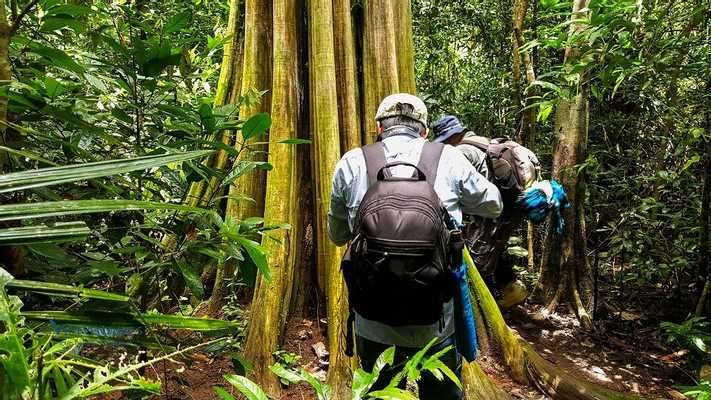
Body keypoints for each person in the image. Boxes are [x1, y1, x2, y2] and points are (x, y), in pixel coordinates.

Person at [328, 94, 503, 399]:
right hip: (436, 322)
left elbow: (337, 235)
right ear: (424, 131)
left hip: (371, 321)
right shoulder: (448, 158)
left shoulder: (352, 162)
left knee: (377, 393)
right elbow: (494, 205)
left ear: (379, 127)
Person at [432, 115, 536, 308]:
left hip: (491, 210)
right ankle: (511, 287)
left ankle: (483, 304)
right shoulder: (483, 142)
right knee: (495, 247)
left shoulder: (461, 151)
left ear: (451, 136)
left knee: (478, 258)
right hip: (511, 205)